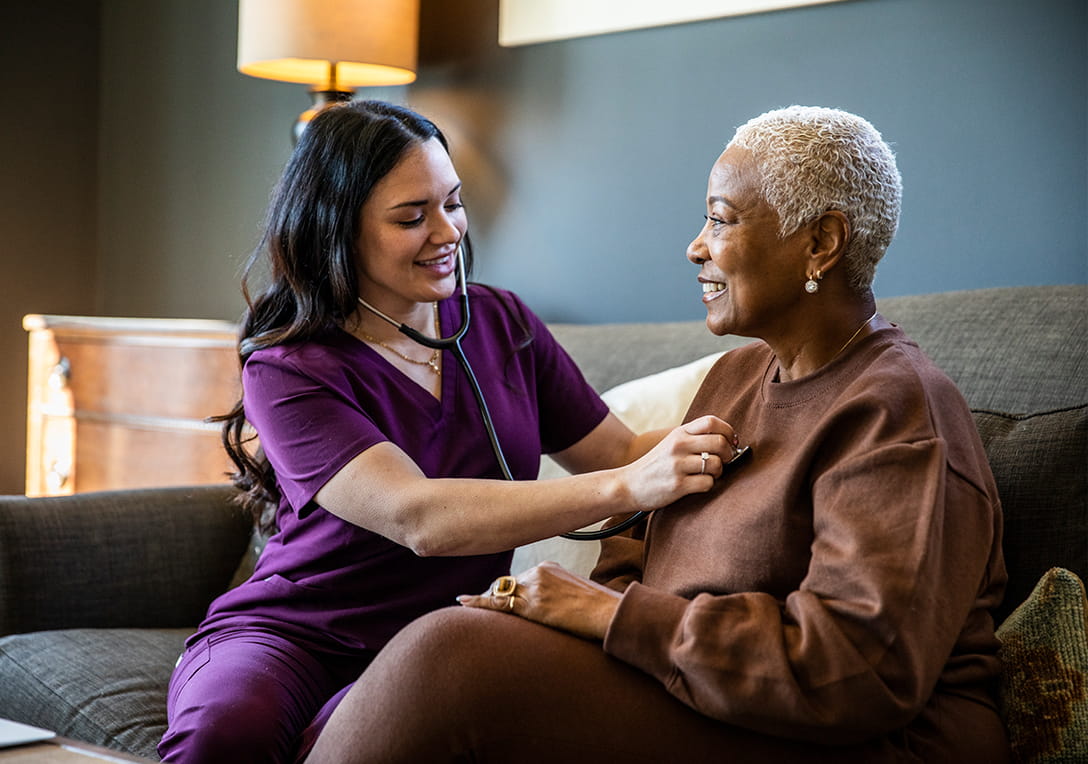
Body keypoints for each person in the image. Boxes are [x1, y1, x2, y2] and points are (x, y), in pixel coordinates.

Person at [304, 106, 1010, 763]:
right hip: (690, 687)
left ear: (820, 243)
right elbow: (633, 550)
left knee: (450, 660)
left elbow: (855, 671)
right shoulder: (737, 377)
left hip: (847, 735)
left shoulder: (899, 411)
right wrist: (576, 613)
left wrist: (613, 616)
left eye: (722, 219)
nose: (696, 247)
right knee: (449, 653)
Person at [157, 100, 737, 763]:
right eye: (412, 216)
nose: (448, 231)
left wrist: (760, 427)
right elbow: (417, 517)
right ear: (337, 229)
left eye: (453, 204)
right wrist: (625, 486)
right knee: (224, 738)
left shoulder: (502, 324)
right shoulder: (289, 369)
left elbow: (620, 450)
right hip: (293, 637)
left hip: (441, 638)